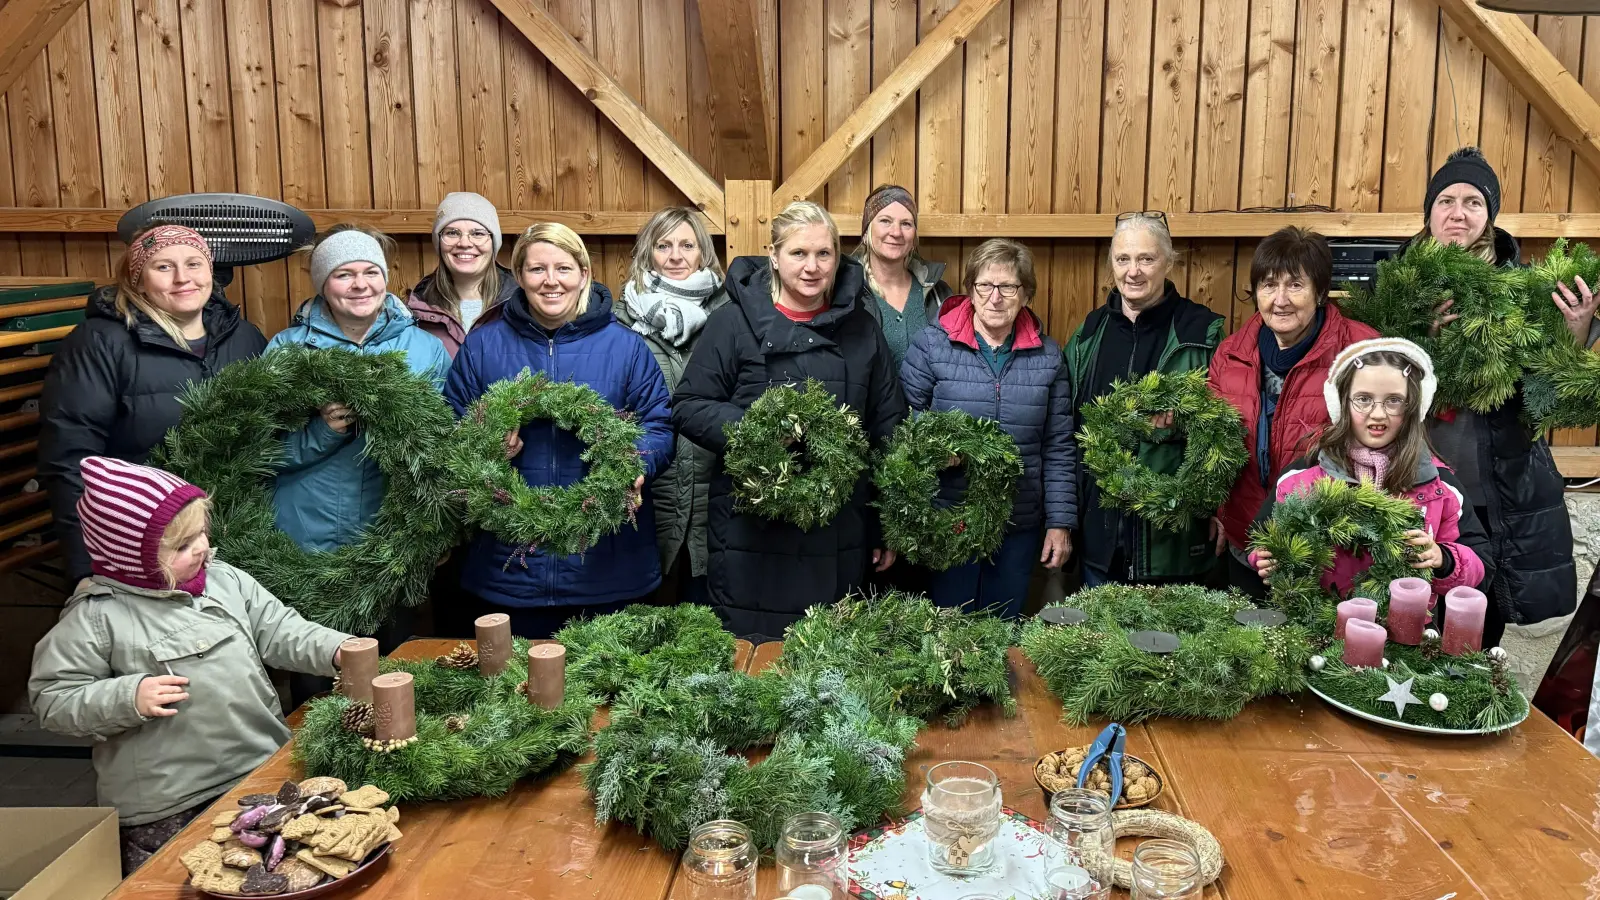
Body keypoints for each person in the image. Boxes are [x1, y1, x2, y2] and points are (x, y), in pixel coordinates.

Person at [28, 457, 350, 875]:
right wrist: (127, 696)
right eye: (181, 546)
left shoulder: (225, 581)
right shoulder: (96, 618)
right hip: (167, 806)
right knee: (182, 881)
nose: (201, 547)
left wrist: (337, 648)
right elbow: (54, 699)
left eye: (201, 532)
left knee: (274, 872)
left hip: (258, 772)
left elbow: (281, 630)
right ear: (131, 557)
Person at [674, 201, 906, 642]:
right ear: (774, 256)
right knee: (754, 665)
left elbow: (887, 429)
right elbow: (688, 404)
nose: (812, 267)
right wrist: (756, 433)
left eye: (824, 254)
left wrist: (885, 524)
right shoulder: (732, 324)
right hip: (750, 536)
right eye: (799, 253)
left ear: (839, 258)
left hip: (837, 534)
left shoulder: (863, 330)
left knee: (829, 662)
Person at [445, 223, 673, 638]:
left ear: (584, 273)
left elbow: (658, 425)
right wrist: (485, 446)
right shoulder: (483, 346)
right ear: (520, 277)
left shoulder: (626, 348)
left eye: (563, 268)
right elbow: (452, 424)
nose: (551, 281)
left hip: (608, 568)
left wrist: (633, 462)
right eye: (536, 270)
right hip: (509, 570)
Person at [1411, 147, 1584, 648]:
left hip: (1494, 501)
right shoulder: (1398, 289)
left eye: (1472, 201)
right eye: (1445, 200)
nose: (1457, 213)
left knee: (1472, 638)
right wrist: (1422, 343)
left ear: (1489, 215)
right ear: (1430, 213)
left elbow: (1552, 398)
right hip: (1414, 491)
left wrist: (1572, 333)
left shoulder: (1525, 292)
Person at [268, 225, 449, 699]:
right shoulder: (287, 351)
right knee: (319, 673)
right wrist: (321, 433)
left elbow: (446, 445)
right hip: (309, 541)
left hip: (391, 539)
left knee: (397, 670)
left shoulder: (423, 350)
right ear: (323, 284)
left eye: (371, 272)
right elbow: (258, 453)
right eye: (344, 275)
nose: (360, 284)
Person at [38, 225, 266, 583]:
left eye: (194, 263)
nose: (182, 278)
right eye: (163, 267)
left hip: (242, 535)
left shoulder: (244, 337)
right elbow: (70, 462)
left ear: (210, 272)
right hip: (146, 545)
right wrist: (88, 572)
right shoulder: (99, 344)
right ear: (138, 281)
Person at [899, 238, 1075, 618]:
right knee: (949, 625)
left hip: (1019, 521)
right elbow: (902, 420)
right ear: (971, 290)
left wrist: (1060, 522)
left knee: (1004, 625)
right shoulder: (933, 345)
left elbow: (1058, 445)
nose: (995, 297)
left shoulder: (1048, 356)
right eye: (985, 285)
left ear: (1025, 294)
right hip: (949, 517)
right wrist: (934, 448)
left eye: (1008, 287)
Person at [1208, 228, 1379, 597]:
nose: (1280, 300)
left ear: (1319, 292)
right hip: (1249, 543)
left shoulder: (1361, 352)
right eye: (1269, 286)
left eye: (1295, 285)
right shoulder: (1231, 354)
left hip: (1329, 554)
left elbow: (1386, 448)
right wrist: (1218, 513)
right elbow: (1215, 445)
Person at [1253, 339, 1489, 606]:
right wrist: (1265, 559)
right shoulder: (1302, 478)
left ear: (1412, 408)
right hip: (1317, 631)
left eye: (1394, 401)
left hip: (1406, 633)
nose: (1378, 415)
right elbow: (1260, 540)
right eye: (1364, 400)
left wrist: (1442, 558)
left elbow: (1480, 565)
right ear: (1342, 402)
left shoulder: (1439, 485)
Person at [1063, 212, 1224, 586]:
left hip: (1172, 544)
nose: (1133, 271)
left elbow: (1225, 431)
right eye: (1123, 259)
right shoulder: (1089, 333)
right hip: (1099, 543)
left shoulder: (1202, 332)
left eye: (1146, 259)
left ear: (1168, 262)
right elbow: (1065, 429)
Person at [612, 207, 727, 606]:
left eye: (687, 245)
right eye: (664, 245)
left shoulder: (733, 317)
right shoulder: (621, 321)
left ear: (703, 254)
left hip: (717, 498)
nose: (676, 256)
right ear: (648, 253)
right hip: (646, 495)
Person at [406, 191, 519, 359]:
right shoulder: (415, 312)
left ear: (493, 243)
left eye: (478, 234)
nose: (464, 243)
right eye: (452, 233)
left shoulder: (521, 305)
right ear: (439, 242)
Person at [853, 184, 953, 367]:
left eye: (906, 224)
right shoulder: (846, 290)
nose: (896, 232)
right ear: (866, 231)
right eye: (885, 221)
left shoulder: (940, 295)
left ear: (914, 237)